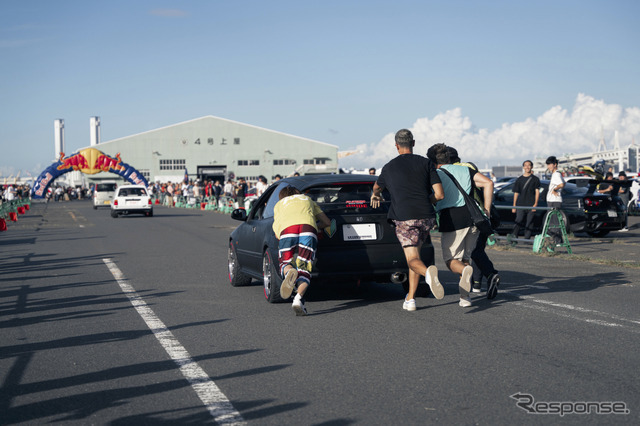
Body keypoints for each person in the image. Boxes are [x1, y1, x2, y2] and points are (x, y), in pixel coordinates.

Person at [371, 129, 445, 311]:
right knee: (416, 257)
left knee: (412, 259)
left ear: (396, 146)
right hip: (426, 217)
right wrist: (426, 201)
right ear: (413, 143)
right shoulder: (426, 163)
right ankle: (410, 299)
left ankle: (428, 274)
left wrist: (375, 195)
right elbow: (439, 194)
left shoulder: (388, 167)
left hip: (405, 218)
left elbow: (376, 187)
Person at [427, 143, 494, 307]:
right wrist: (486, 209)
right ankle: (465, 297)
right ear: (449, 157)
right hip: (473, 218)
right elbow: (488, 183)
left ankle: (465, 275)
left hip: (452, 218)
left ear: (432, 161)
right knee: (465, 259)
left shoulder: (435, 174)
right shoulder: (465, 170)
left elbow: (436, 196)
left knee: (451, 261)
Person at [448, 146, 500, 299]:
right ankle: (477, 283)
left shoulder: (456, 170)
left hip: (472, 217)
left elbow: (487, 183)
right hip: (481, 217)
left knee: (470, 252)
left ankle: (489, 275)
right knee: (476, 251)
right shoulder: (468, 167)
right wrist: (487, 210)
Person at [272, 185, 332, 315]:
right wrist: (314, 226)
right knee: (304, 268)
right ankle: (298, 299)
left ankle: (289, 273)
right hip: (308, 229)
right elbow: (327, 222)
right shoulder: (307, 199)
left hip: (287, 231)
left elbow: (277, 234)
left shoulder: (279, 205)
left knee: (284, 263)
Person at [511, 160, 541, 240]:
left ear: (531, 167)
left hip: (531, 204)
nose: (527, 167)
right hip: (520, 204)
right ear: (523, 167)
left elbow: (537, 192)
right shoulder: (519, 179)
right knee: (518, 220)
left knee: (529, 222)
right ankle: (513, 238)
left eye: (529, 165)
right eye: (525, 165)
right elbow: (516, 193)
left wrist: (535, 204)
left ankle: (527, 239)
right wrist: (514, 205)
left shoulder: (535, 179)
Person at [545, 156, 566, 244]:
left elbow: (562, 184)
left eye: (550, 164)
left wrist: (555, 189)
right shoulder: (556, 174)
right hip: (553, 200)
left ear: (555, 164)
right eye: (547, 164)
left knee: (554, 222)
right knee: (552, 221)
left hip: (555, 201)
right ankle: (557, 240)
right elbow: (564, 182)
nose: (548, 166)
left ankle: (558, 241)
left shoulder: (556, 174)